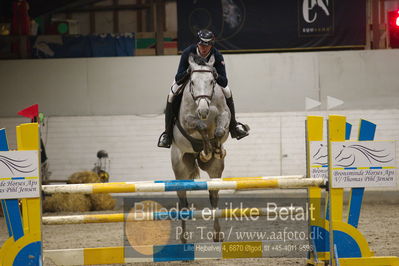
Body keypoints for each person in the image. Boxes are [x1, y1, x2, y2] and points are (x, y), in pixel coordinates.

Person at [157, 29, 249, 148]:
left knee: (227, 91)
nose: (203, 48)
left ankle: (234, 126)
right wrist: (188, 72)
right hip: (189, 79)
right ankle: (167, 133)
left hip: (209, 81)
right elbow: (178, 77)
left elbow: (224, 81)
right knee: (171, 95)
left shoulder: (217, 55)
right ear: (198, 44)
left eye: (207, 45)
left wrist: (215, 74)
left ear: (211, 45)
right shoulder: (188, 53)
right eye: (201, 45)